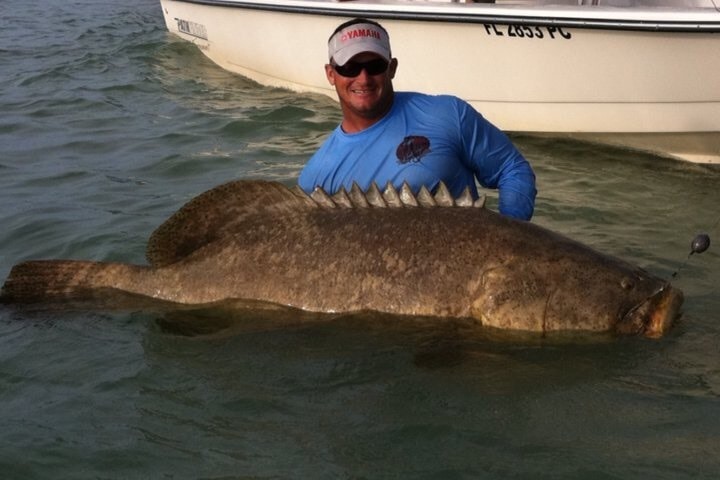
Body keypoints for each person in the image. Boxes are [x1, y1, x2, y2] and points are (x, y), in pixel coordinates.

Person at [298, 18, 536, 220]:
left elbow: (511, 168)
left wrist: (512, 235)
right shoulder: (315, 178)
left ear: (391, 68)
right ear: (331, 74)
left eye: (375, 66)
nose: (364, 78)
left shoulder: (449, 114)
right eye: (349, 68)